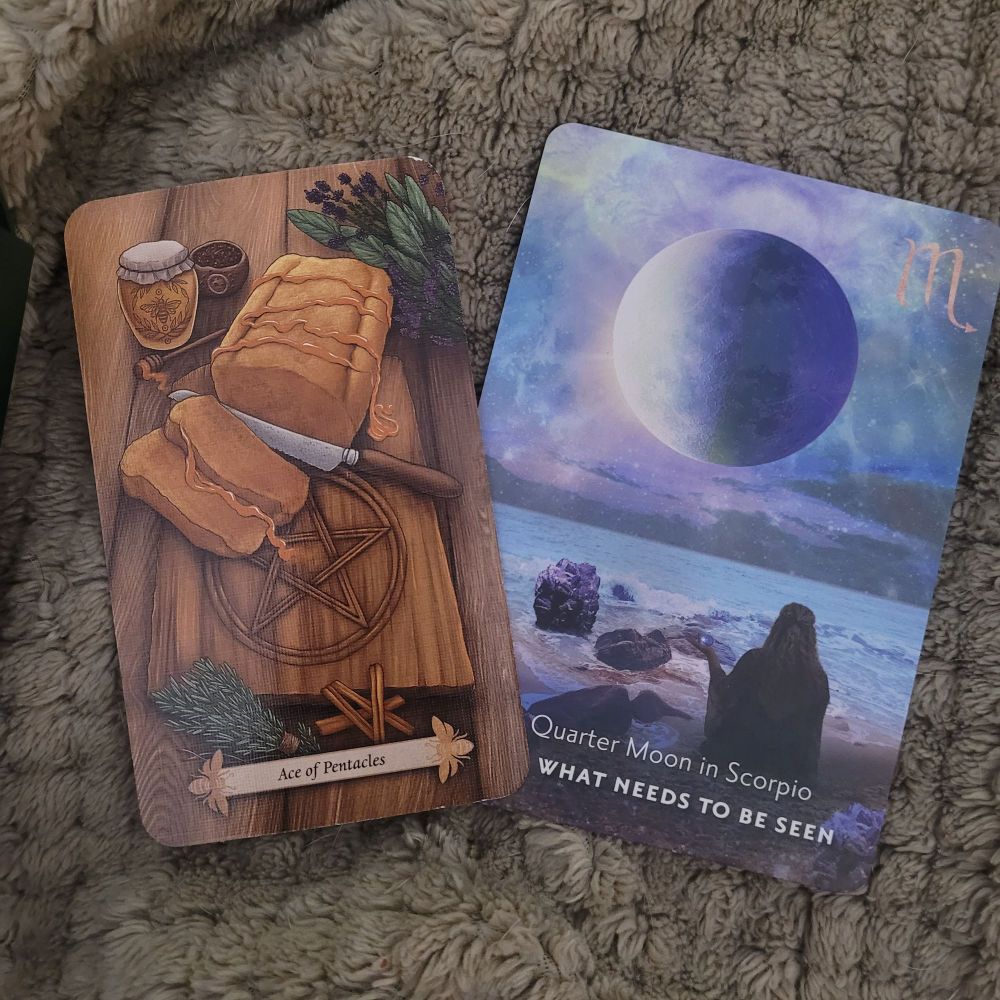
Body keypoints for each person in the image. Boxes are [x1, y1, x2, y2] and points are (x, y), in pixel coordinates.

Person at [687, 603, 830, 780]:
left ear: (776, 629)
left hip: (741, 753)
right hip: (788, 766)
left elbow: (723, 694)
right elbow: (812, 732)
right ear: (811, 636)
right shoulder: (818, 678)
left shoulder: (755, 660)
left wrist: (710, 655)